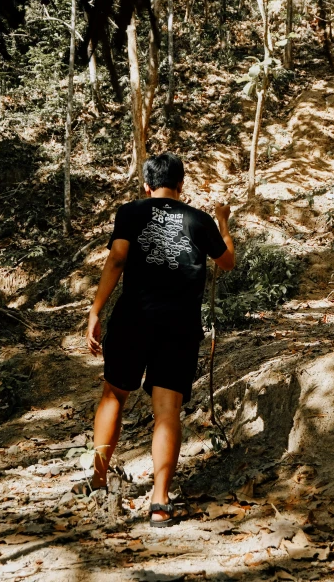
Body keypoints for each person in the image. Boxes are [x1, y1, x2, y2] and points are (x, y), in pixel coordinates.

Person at [83, 152, 235, 526]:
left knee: (114, 394)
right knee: (167, 410)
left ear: (146, 185)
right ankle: (159, 500)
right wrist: (224, 221)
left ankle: (99, 480)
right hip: (179, 326)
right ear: (181, 186)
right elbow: (227, 261)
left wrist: (95, 311)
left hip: (134, 319)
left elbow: (117, 260)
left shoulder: (131, 212)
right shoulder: (199, 220)